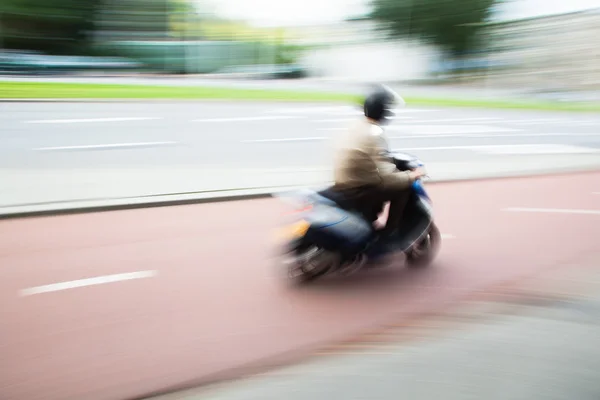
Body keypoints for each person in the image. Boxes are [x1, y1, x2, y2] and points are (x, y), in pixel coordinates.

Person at [330, 85, 427, 237]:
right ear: (383, 112)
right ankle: (391, 232)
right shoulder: (375, 133)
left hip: (344, 182)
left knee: (384, 185)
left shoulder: (356, 125)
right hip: (358, 188)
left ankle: (371, 220)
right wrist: (411, 176)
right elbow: (387, 176)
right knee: (403, 188)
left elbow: (371, 155)